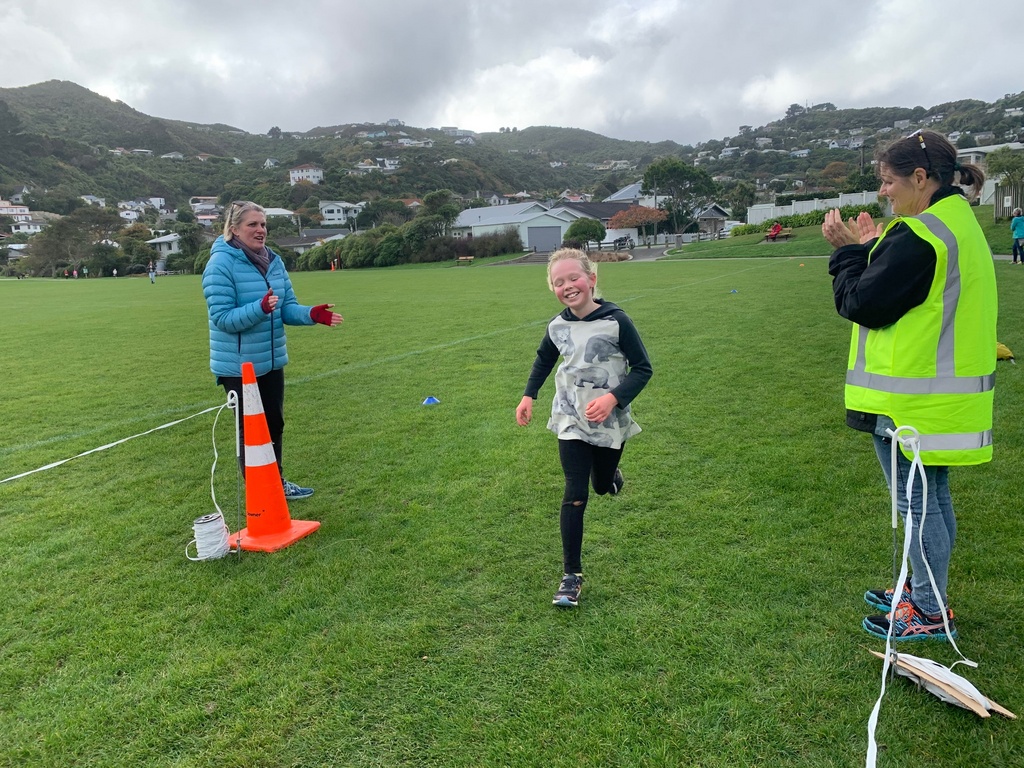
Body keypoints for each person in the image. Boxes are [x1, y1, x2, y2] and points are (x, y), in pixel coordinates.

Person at [822, 130, 997, 641]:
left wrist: (849, 253)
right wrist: (871, 248)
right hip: (938, 399)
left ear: (921, 178)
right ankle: (921, 590)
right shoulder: (954, 222)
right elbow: (906, 289)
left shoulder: (921, 234)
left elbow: (862, 303)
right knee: (932, 498)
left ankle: (927, 608)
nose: (883, 192)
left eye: (887, 181)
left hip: (910, 401)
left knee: (918, 505)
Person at [516, 248, 653, 607]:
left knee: (601, 486)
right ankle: (571, 576)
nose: (568, 286)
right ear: (553, 289)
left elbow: (643, 369)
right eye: (558, 282)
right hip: (570, 419)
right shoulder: (556, 326)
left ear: (591, 279)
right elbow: (544, 359)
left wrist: (612, 399)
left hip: (609, 421)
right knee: (575, 492)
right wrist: (528, 396)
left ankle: (610, 476)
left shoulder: (616, 321)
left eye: (574, 277)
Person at [203, 200, 343, 500]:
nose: (261, 230)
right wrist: (260, 308)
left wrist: (311, 315)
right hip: (239, 367)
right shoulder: (220, 264)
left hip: (271, 361)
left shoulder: (274, 261)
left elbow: (286, 307)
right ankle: (261, 492)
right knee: (252, 431)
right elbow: (223, 318)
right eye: (252, 224)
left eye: (263, 224)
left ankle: (276, 483)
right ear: (234, 228)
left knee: (274, 424)